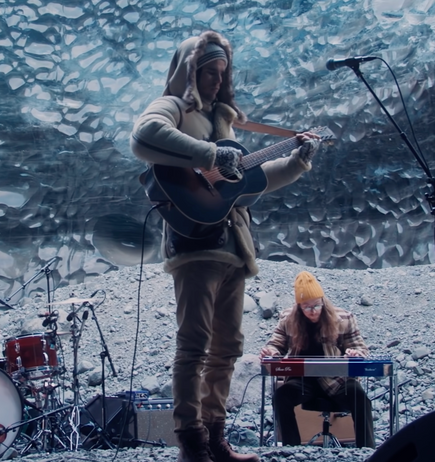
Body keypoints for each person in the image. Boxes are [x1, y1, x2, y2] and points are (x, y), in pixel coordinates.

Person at [130, 30, 321, 462]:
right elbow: (144, 136)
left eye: (222, 73)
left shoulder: (227, 121)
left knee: (228, 347)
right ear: (189, 71)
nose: (217, 80)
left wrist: (298, 160)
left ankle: (216, 438)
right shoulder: (175, 107)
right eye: (208, 72)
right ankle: (190, 442)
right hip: (195, 246)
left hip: (235, 246)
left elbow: (252, 181)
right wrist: (210, 155)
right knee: (194, 344)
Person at [260, 271, 374, 448]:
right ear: (299, 307)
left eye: (316, 305)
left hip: (337, 380)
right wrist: (271, 352)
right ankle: (291, 449)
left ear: (323, 301)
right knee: (281, 396)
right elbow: (276, 344)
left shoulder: (344, 318)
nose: (312, 311)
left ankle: (366, 450)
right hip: (302, 382)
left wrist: (355, 353)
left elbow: (361, 348)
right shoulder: (287, 319)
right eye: (306, 307)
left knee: (359, 396)